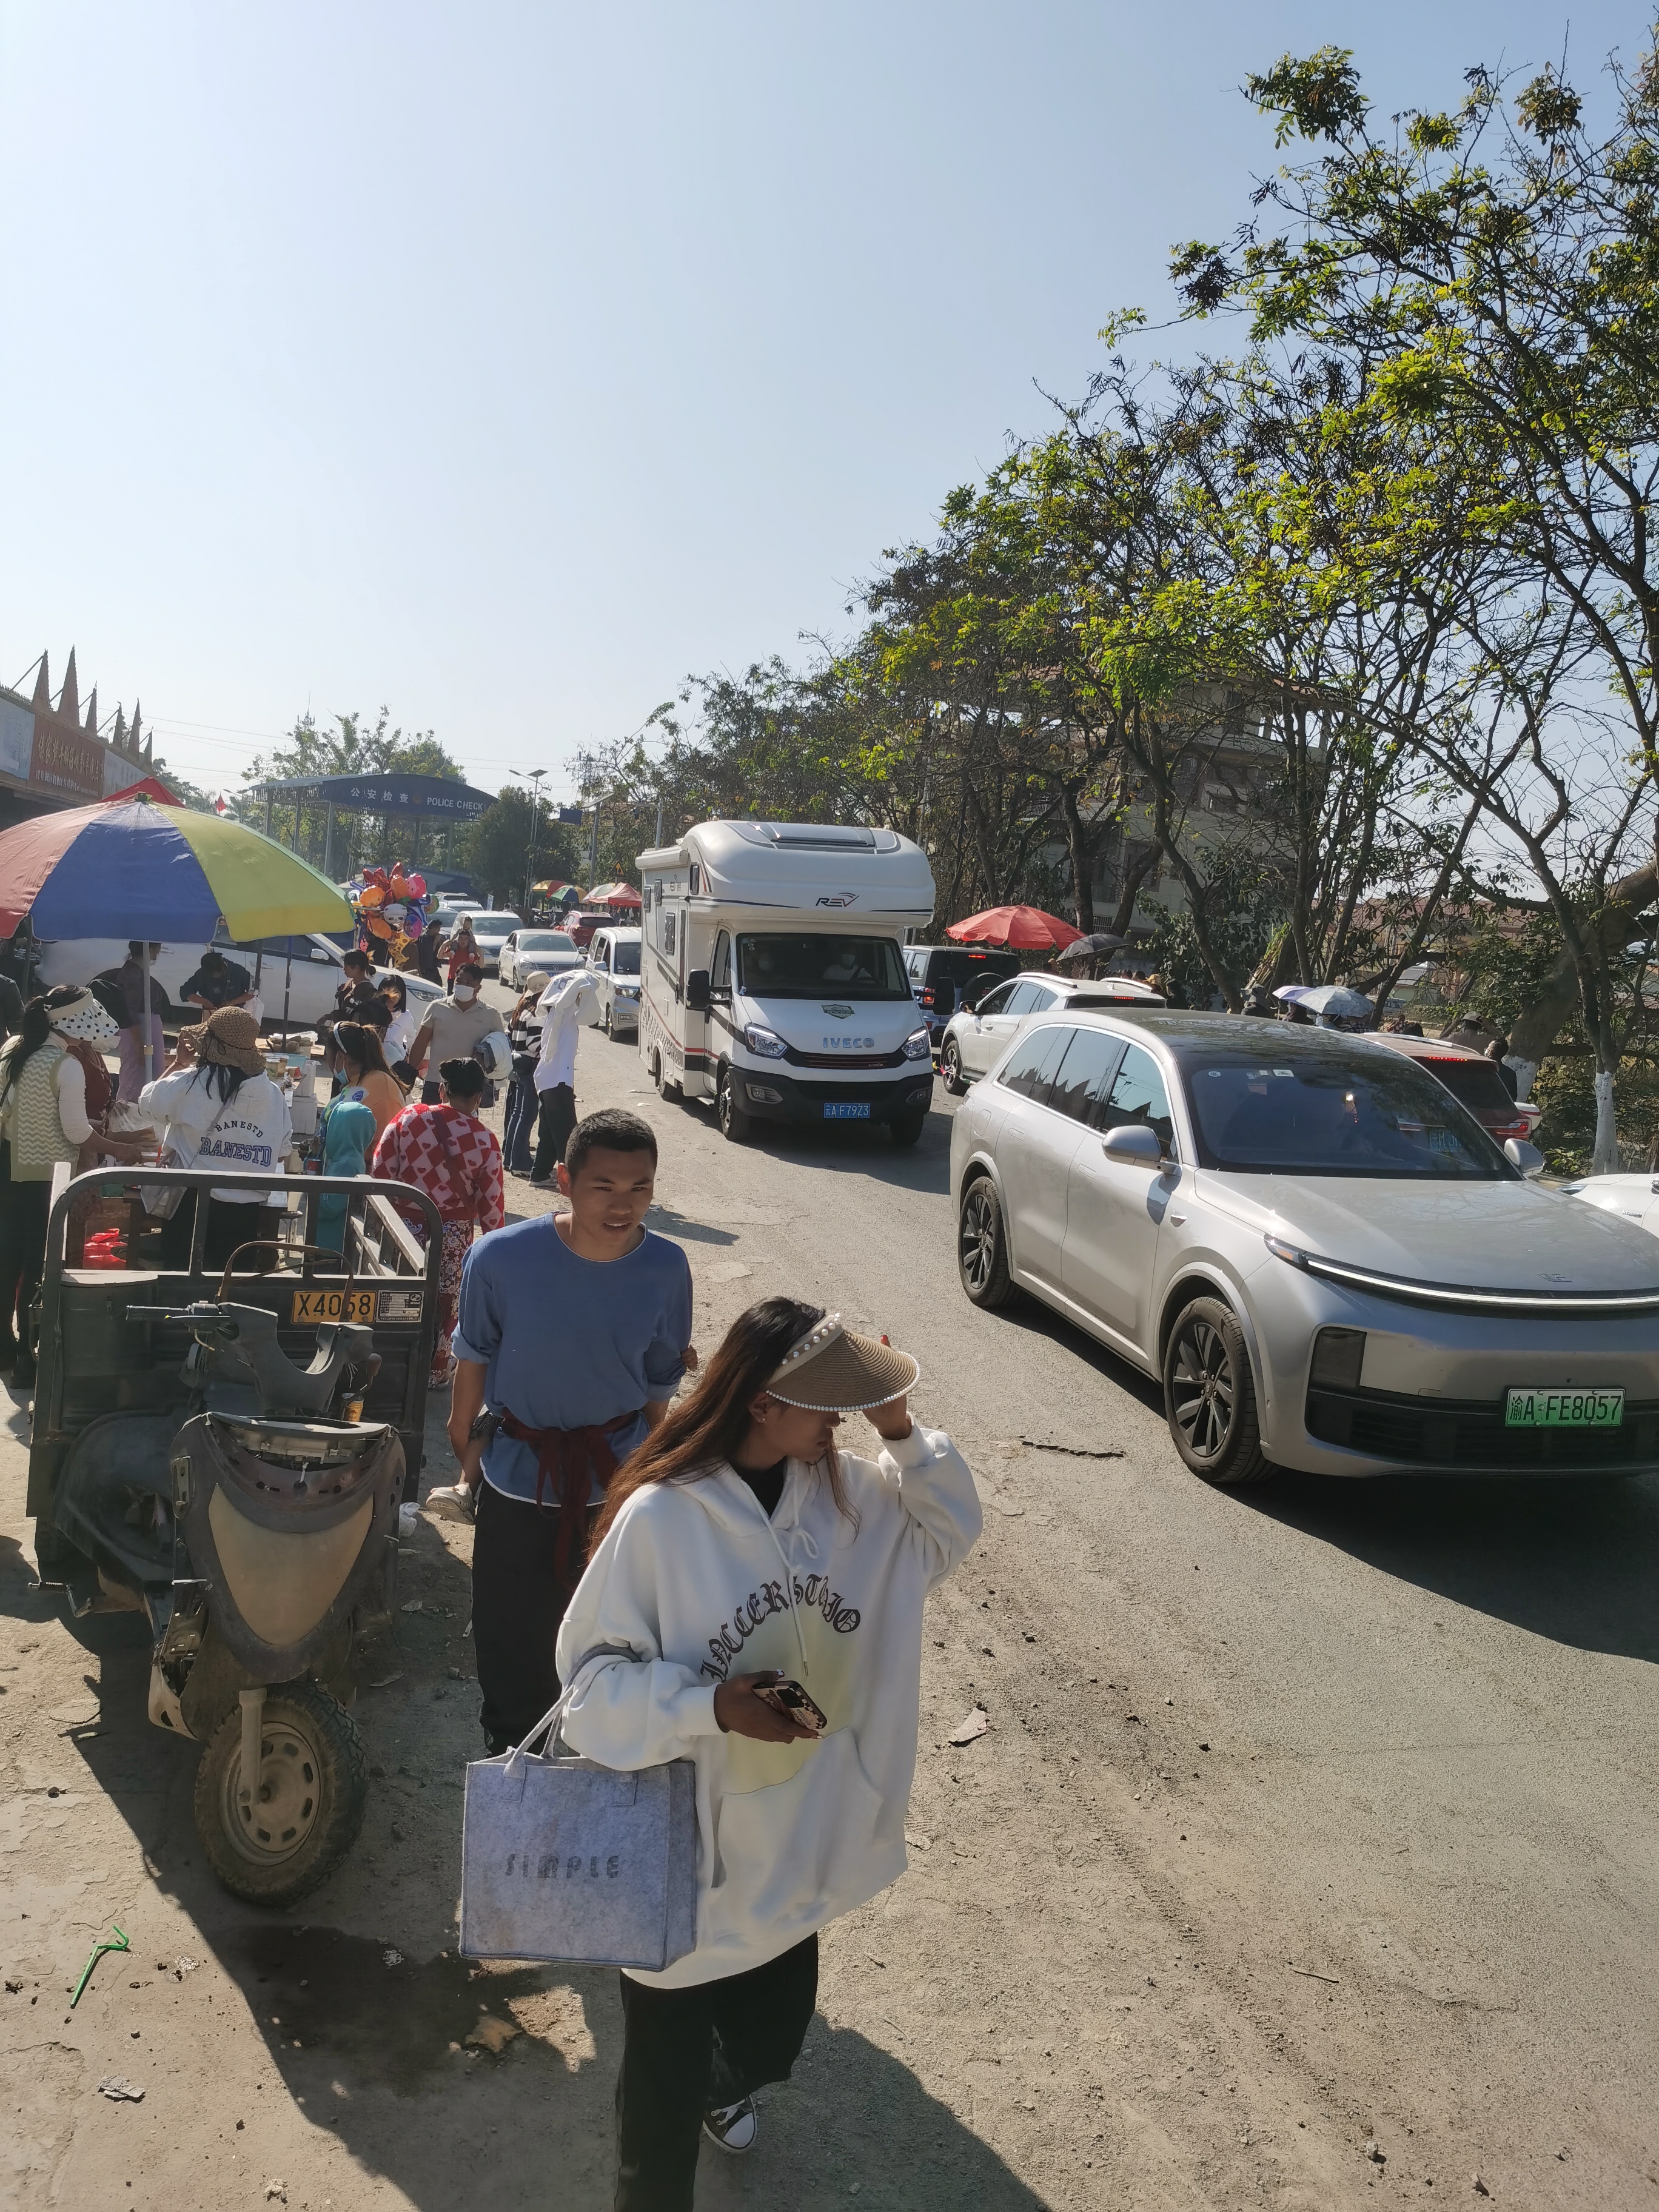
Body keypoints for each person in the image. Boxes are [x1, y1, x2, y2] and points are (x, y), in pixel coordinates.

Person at [555, 1297, 980, 2204]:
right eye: (825, 1404)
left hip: (793, 1848)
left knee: (771, 2039)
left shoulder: (852, 1498)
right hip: (684, 1863)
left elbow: (946, 1536)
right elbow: (586, 1696)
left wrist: (899, 1428)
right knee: (658, 2124)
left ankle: (723, 2084)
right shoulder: (664, 1522)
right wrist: (712, 1705)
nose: (839, 1422)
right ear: (761, 1404)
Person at [437, 1108, 691, 1753]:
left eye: (640, 1188)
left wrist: (652, 1476)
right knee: (510, 1630)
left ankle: (592, 1754)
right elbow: (473, 1356)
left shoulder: (666, 1269)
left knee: (613, 1632)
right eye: (603, 1186)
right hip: (518, 1475)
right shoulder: (500, 1259)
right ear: (563, 1181)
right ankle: (511, 1758)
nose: (622, 1204)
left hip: (616, 1483)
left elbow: (661, 1385)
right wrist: (466, 1447)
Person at [0, 988, 127, 1381]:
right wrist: (123, 1151)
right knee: (40, 1263)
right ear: (77, 1025)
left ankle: (5, 1347)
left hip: (7, 1166)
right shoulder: (64, 1065)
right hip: (45, 1174)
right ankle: (28, 1356)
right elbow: (75, 1132)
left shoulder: (13, 1048)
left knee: (7, 1259)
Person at [370, 1056, 504, 1389]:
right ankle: (435, 1370)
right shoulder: (485, 1139)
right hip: (454, 1234)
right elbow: (491, 1203)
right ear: (477, 1099)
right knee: (446, 1302)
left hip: (405, 1228)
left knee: (398, 1296)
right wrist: (495, 1245)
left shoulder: (408, 1118)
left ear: (443, 1089)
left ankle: (388, 1362)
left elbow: (380, 1172)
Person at [139, 1007, 293, 1273]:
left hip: (190, 1206)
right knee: (229, 1290)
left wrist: (179, 1062)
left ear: (210, 1046)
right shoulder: (272, 1094)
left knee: (181, 1286)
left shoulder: (192, 1082)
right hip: (245, 1212)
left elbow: (146, 1105)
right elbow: (281, 1152)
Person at [530, 965, 598, 1184]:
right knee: (568, 1135)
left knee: (551, 1132)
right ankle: (573, 1180)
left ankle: (539, 1174)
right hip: (557, 1081)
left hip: (549, 1080)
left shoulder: (557, 1014)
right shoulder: (564, 1014)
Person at [404, 961, 506, 1106]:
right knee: (430, 1126)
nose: (462, 985)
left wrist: (493, 1083)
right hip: (436, 1081)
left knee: (462, 1128)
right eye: (459, 980)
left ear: (478, 987)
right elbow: (420, 1043)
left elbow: (499, 1051)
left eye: (469, 982)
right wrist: (409, 1074)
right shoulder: (437, 1007)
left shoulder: (490, 1015)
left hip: (467, 1088)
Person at [102, 942, 167, 1102]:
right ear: (149, 949)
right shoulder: (132, 974)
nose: (158, 951)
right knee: (137, 1071)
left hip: (147, 1025)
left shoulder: (138, 971)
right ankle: (132, 1107)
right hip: (139, 1028)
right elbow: (129, 1012)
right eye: (156, 947)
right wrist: (139, 1044)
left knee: (151, 1070)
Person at [313, 1093, 377, 1255]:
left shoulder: (349, 1164)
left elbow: (329, 1207)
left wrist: (311, 1186)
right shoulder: (338, 1156)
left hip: (331, 1245)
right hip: (324, 1239)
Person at [503, 969, 549, 1177]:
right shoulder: (539, 1013)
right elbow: (533, 1044)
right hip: (530, 1063)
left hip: (516, 1062)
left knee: (517, 1113)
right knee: (527, 1115)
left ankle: (510, 1157)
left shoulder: (522, 1008)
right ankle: (521, 1162)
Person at [331, 1022, 407, 1142]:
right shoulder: (356, 1082)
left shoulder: (381, 1086)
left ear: (339, 1057)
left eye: (327, 1056)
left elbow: (386, 1142)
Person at [178, 946, 255, 1014]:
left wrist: (231, 1003)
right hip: (211, 1012)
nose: (211, 976)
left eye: (214, 974)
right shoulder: (202, 974)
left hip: (235, 1013)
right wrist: (205, 1002)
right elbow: (186, 992)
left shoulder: (238, 971)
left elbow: (252, 993)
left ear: (223, 969)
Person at [378, 975, 419, 1070]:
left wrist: (409, 1059)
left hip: (395, 1065)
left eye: (396, 992)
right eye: (387, 990)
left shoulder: (405, 1016)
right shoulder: (374, 1011)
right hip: (375, 1062)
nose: (391, 996)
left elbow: (412, 1040)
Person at [442, 913, 480, 985]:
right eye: (465, 923)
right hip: (458, 944)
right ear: (462, 923)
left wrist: (474, 944)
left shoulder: (470, 932)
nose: (466, 925)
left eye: (468, 924)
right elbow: (455, 935)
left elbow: (473, 939)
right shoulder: (460, 930)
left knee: (471, 945)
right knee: (455, 944)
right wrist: (451, 941)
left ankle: (471, 954)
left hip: (469, 944)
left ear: (471, 925)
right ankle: (453, 952)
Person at [414, 917, 444, 986]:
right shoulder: (425, 937)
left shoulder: (431, 936)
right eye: (438, 929)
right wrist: (436, 942)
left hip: (433, 966)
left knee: (439, 983)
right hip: (427, 968)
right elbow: (429, 952)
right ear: (433, 929)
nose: (439, 931)